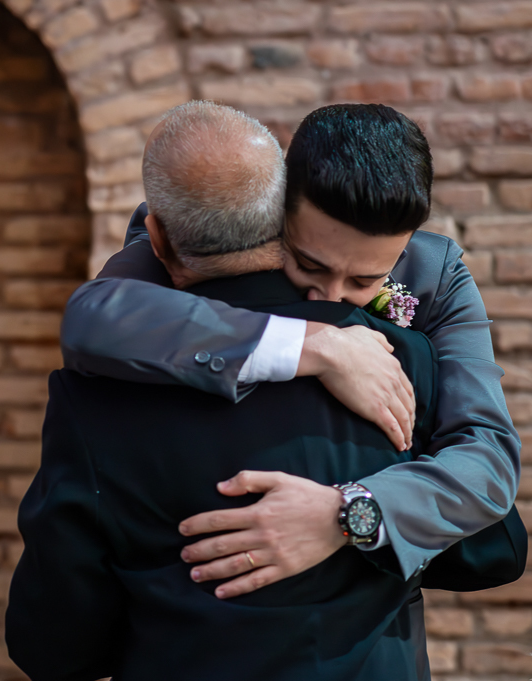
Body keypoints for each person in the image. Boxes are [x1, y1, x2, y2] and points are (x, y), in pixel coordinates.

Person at [7, 102, 445, 681]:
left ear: (154, 233)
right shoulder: (400, 360)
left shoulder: (100, 396)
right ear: (283, 213)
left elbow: (52, 645)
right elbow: (490, 548)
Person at [62, 103, 520, 599]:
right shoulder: (237, 220)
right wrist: (316, 345)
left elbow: (489, 458)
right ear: (280, 206)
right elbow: (97, 316)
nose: (330, 297)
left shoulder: (437, 274)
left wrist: (344, 514)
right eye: (309, 264)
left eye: (365, 280)